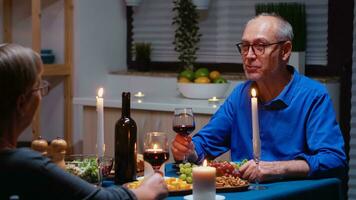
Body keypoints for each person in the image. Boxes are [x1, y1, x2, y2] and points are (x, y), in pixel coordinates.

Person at [171, 13, 347, 182]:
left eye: (260, 46)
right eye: (245, 46)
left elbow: (334, 160)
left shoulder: (313, 96)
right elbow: (205, 144)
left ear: (285, 51)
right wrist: (189, 151)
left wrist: (277, 169)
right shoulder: (240, 96)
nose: (249, 55)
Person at [0, 43, 168, 200]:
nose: (41, 96)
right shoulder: (22, 165)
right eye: (38, 87)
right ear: (21, 103)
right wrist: (146, 190)